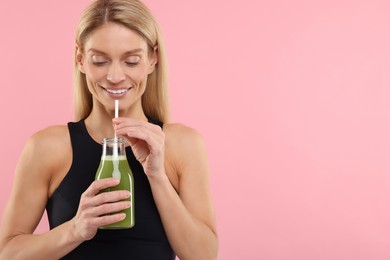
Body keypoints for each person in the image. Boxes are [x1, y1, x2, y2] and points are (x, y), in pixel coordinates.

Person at [0, 0, 218, 259]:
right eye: (100, 61)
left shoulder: (182, 145)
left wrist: (157, 175)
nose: (115, 76)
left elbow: (203, 255)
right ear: (80, 60)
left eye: (132, 61)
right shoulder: (47, 148)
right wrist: (75, 230)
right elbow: (8, 252)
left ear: (152, 59)